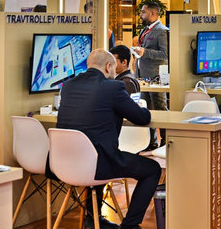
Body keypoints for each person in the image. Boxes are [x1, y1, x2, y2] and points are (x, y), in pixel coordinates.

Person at [56, 49, 161, 229]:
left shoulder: (68, 86)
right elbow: (142, 117)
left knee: (97, 152)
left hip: (64, 163)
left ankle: (92, 219)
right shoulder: (112, 87)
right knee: (152, 169)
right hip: (98, 164)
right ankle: (130, 225)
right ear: (108, 67)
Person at [134, 2, 169, 149]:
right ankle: (151, 142)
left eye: (143, 12)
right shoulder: (145, 30)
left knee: (160, 108)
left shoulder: (162, 31)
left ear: (153, 13)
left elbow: (165, 54)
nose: (141, 15)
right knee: (145, 109)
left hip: (156, 77)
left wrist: (145, 52)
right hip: (143, 77)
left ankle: (166, 141)